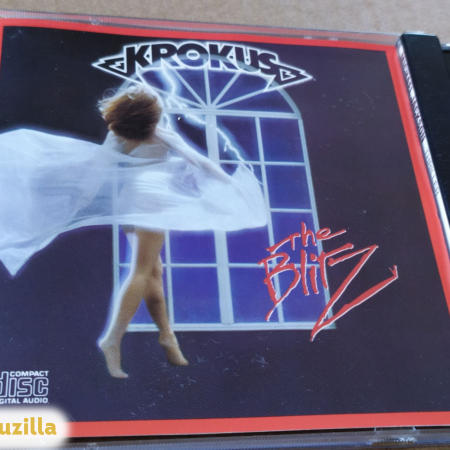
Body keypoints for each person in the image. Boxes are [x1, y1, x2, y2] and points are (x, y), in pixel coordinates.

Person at [0, 84, 267, 379]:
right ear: (152, 114)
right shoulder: (163, 133)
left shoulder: (117, 136)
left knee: (153, 273)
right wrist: (233, 186)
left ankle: (167, 337)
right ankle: (112, 338)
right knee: (142, 271)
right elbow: (200, 162)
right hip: (153, 202)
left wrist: (78, 205)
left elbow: (95, 176)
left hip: (130, 202)